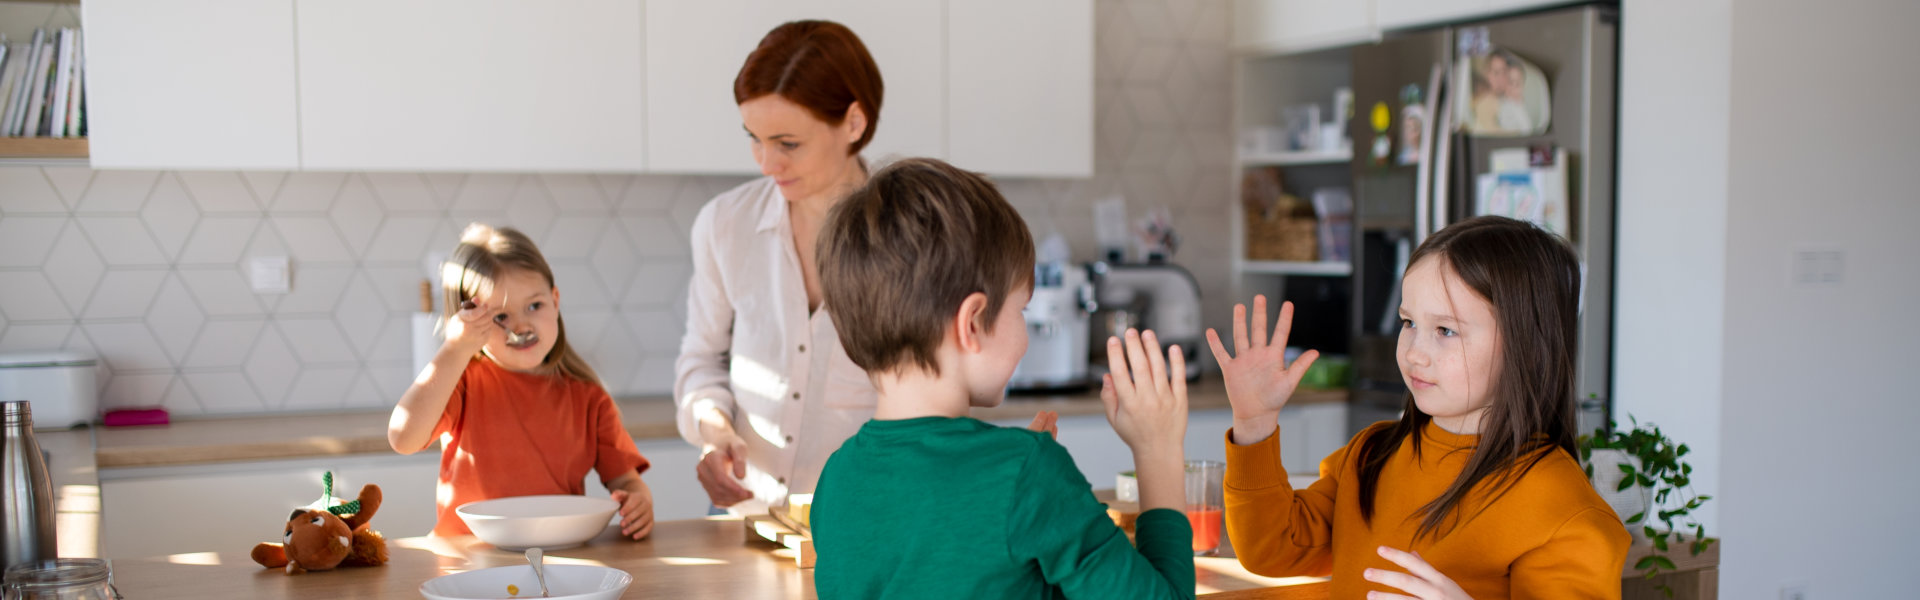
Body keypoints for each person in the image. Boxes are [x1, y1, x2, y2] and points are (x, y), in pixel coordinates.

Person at [674, 20, 1053, 513]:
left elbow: (946, 377)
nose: (767, 163)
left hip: (870, 521)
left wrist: (1003, 461)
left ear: (854, 123)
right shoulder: (724, 225)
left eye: (788, 143)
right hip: (746, 517)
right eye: (754, 138)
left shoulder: (916, 232)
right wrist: (714, 430)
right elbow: (700, 360)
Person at [808, 158, 1195, 599]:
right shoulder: (1026, 473)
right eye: (1021, 310)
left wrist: (1017, 477)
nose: (1027, 335)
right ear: (972, 322)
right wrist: (1157, 448)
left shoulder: (836, 481)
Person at [1210, 216, 1629, 598]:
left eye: (1445, 330)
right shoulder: (1371, 455)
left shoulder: (1565, 514)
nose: (1414, 353)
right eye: (1408, 323)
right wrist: (1255, 423)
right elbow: (1274, 551)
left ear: (1528, 346)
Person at [388, 224, 655, 539]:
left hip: (556, 559)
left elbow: (625, 482)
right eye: (500, 317)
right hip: (468, 561)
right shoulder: (462, 383)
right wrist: (455, 348)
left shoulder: (588, 398)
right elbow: (403, 438)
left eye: (534, 306)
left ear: (555, 301)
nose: (522, 326)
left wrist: (639, 500)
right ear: (469, 322)